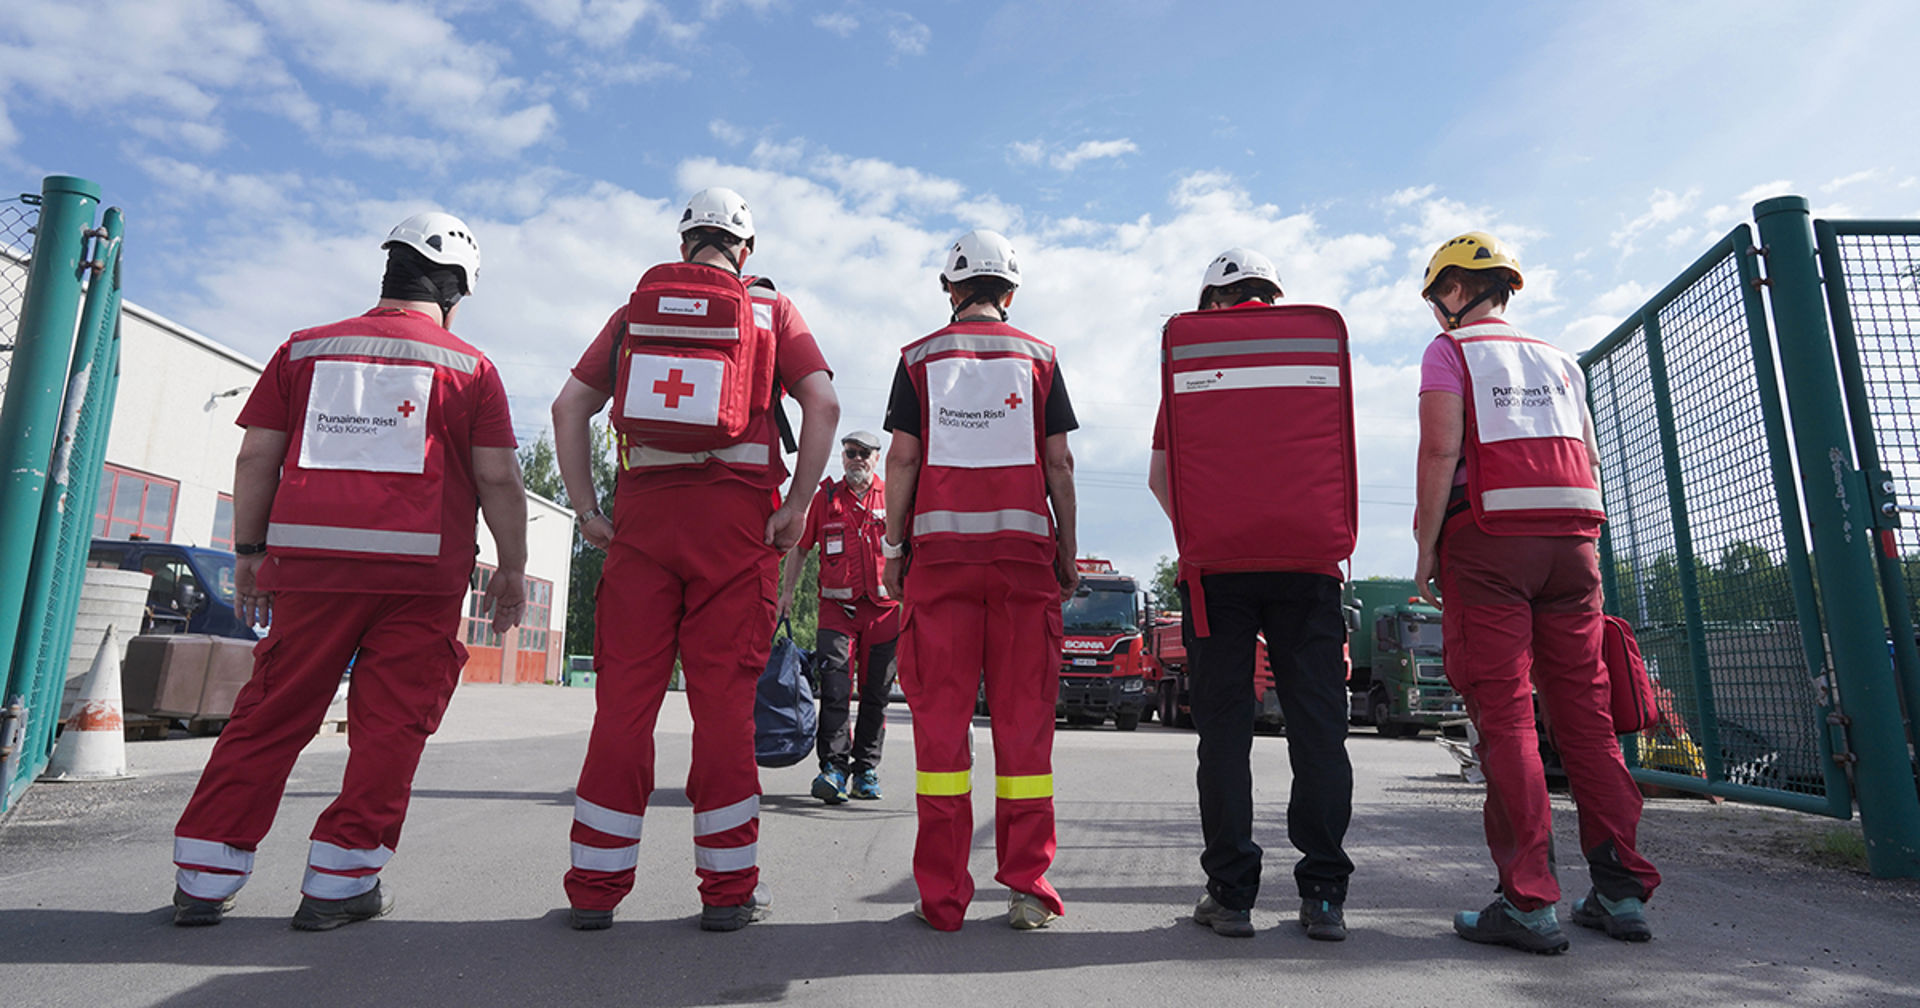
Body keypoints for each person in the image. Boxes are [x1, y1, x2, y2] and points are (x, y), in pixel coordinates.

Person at [170, 212, 528, 929]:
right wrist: (514, 568)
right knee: (391, 726)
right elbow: (497, 479)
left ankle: (206, 875)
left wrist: (248, 552)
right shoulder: (471, 370)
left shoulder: (304, 350)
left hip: (312, 573)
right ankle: (338, 883)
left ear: (389, 270)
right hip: (420, 580)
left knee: (273, 713)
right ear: (458, 290)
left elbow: (255, 457)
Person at [551, 187, 838, 932]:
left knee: (623, 709)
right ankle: (729, 891)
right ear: (746, 250)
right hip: (737, 531)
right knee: (722, 715)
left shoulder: (635, 311)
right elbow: (825, 406)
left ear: (685, 245)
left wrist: (587, 513)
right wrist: (797, 504)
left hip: (644, 525)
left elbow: (567, 408)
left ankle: (592, 889)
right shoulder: (773, 312)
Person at [1411, 231, 1661, 954]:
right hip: (1574, 544)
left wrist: (1426, 547)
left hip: (1489, 543)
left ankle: (1528, 900)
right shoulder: (1560, 359)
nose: (1436, 311)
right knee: (1586, 716)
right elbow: (1586, 452)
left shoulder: (1450, 353)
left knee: (1507, 716)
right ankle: (1620, 891)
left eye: (1436, 297)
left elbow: (1439, 449)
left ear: (1456, 289)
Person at [1147, 248, 1355, 942]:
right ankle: (1324, 895)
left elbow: (1159, 476)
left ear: (1212, 300)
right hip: (1312, 564)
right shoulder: (1312, 342)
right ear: (1273, 294)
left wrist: (1204, 532)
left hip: (1216, 574)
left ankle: (1231, 896)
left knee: (1226, 737)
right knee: (1319, 731)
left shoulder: (1192, 356)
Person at [880, 229, 1079, 932]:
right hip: (1025, 565)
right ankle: (1028, 888)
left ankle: (941, 900)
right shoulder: (1041, 358)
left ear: (951, 290)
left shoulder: (919, 359)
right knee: (1025, 733)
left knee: (941, 737)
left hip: (940, 569)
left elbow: (900, 463)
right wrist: (1068, 551)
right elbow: (1059, 467)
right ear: (1011, 293)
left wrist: (894, 548)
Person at [777, 428, 900, 804]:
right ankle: (833, 769)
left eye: (864, 453)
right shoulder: (826, 499)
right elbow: (799, 550)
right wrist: (786, 593)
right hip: (837, 614)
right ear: (842, 457)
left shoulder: (895, 497)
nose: (856, 459)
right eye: (850, 452)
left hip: (885, 614)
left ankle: (865, 770)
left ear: (877, 458)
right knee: (833, 691)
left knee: (876, 694)